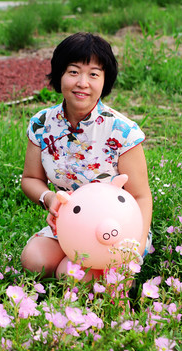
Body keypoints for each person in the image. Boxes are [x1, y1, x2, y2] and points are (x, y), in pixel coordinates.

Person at [20, 32, 152, 279]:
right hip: (68, 226)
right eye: (73, 71)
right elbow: (30, 179)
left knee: (71, 277)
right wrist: (48, 198)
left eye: (93, 74)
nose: (82, 82)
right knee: (34, 261)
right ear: (59, 74)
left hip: (114, 229)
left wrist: (135, 247)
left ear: (105, 81)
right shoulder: (41, 123)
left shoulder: (122, 131)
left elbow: (141, 196)